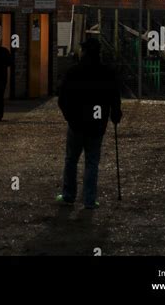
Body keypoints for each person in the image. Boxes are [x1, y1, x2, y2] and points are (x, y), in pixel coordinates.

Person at [57, 37, 122, 210]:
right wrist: (115, 114)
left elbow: (63, 97)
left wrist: (69, 116)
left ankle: (69, 195)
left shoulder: (74, 72)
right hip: (97, 123)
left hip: (77, 122)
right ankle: (89, 200)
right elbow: (114, 96)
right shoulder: (107, 72)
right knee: (92, 162)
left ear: (84, 52)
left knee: (71, 160)